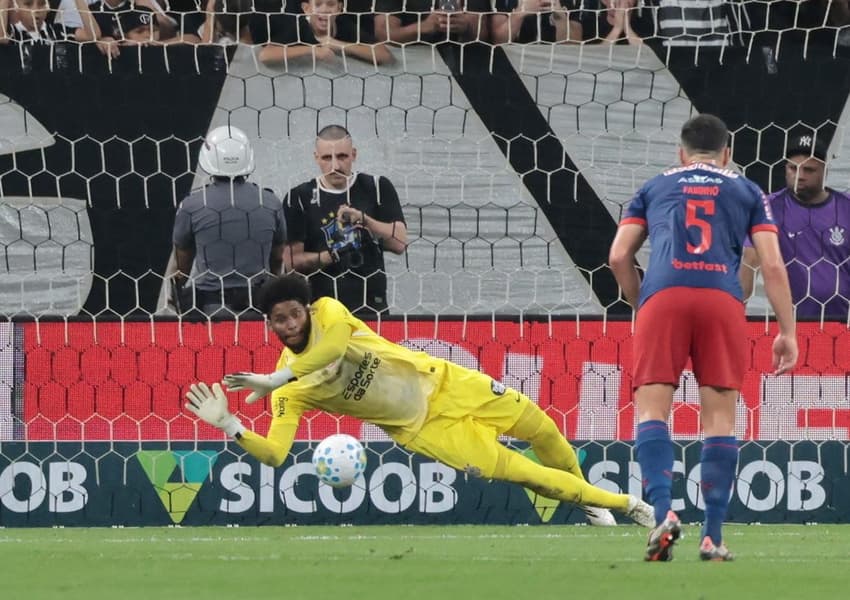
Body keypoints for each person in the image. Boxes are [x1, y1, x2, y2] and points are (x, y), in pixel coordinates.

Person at [184, 273, 657, 528]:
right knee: (525, 473)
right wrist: (230, 425)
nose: (288, 325)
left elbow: (327, 351)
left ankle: (588, 502)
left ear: (305, 310)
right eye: (277, 321)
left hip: (446, 382)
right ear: (269, 326)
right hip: (424, 429)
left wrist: (274, 375)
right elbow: (275, 454)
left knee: (543, 430)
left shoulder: (328, 313)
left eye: (292, 314)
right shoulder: (287, 394)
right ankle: (624, 504)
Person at [609, 114, 798, 561]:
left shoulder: (655, 186)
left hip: (663, 296)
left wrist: (643, 304)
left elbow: (619, 255)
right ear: (727, 154)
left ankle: (662, 515)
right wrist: (787, 331)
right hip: (721, 299)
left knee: (653, 408)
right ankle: (712, 537)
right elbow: (771, 265)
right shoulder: (747, 190)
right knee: (719, 420)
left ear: (682, 152)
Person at [282, 124, 406, 318]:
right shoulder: (299, 197)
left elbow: (399, 243)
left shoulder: (377, 187)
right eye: (326, 158)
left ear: (354, 154)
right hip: (321, 311)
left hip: (372, 308)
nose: (335, 166)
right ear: (316, 158)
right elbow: (291, 263)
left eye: (342, 156)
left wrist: (365, 221)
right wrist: (331, 255)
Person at [171, 125, 286, 317]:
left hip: (209, 310)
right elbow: (278, 259)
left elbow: (181, 268)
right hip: (258, 308)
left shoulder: (192, 205)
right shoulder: (270, 202)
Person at [741, 131, 850, 320]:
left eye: (809, 170)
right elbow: (748, 262)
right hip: (792, 324)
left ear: (825, 170)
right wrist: (736, 316)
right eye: (793, 168)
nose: (799, 176)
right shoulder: (770, 208)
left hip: (844, 323)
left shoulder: (846, 207)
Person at [251, 0, 393, 67]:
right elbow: (265, 55)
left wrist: (338, 44)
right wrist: (312, 50)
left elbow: (383, 54)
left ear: (339, 8)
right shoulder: (299, 27)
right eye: (318, 5)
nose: (324, 10)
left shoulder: (344, 26)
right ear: (306, 8)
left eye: (331, 4)